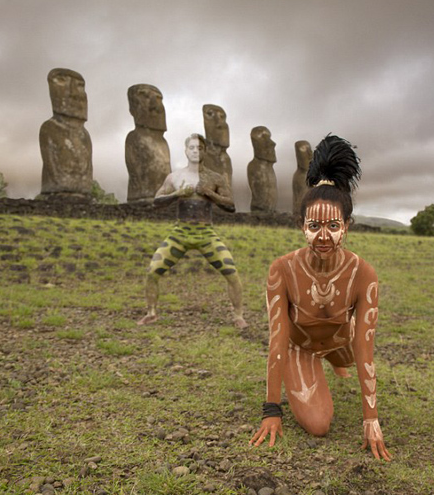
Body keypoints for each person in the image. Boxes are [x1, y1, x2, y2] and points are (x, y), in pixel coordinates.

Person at [249, 135, 392, 461]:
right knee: (318, 425)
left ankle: (336, 359)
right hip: (301, 346)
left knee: (353, 355)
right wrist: (271, 409)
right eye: (314, 226)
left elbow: (366, 348)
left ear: (347, 226)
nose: (324, 236)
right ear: (301, 225)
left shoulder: (363, 274)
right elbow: (278, 339)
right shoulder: (282, 269)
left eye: (333, 225)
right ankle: (317, 360)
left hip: (342, 339)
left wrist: (371, 417)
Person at [137, 133, 248, 329]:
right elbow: (156, 201)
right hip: (180, 233)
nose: (196, 151)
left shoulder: (214, 177)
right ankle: (151, 313)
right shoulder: (175, 176)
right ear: (186, 150)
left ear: (204, 151)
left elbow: (231, 205)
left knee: (232, 273)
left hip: (206, 234)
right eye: (192, 148)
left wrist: (210, 193)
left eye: (199, 148)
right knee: (152, 271)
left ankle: (238, 316)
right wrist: (177, 193)